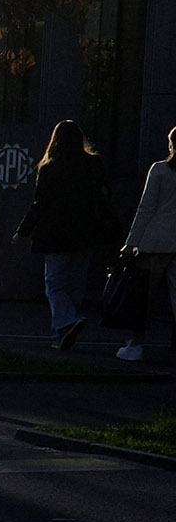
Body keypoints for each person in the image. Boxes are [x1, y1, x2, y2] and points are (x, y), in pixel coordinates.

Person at [19, 120, 114, 351]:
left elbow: (39, 204)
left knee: (54, 284)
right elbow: (103, 197)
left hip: (55, 234)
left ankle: (66, 322)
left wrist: (23, 231)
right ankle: (61, 332)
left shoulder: (50, 167)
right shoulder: (94, 164)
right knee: (76, 285)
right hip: (85, 232)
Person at [110, 126, 174, 364]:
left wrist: (130, 243)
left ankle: (136, 345)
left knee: (143, 298)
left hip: (156, 242)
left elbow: (145, 208)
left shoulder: (159, 170)